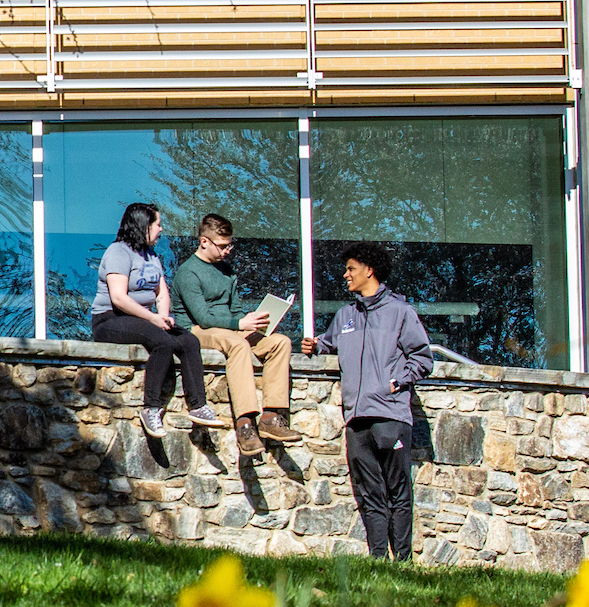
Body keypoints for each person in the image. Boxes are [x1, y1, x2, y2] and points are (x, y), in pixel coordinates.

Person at [301, 241, 433, 560]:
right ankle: (378, 561)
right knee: (371, 495)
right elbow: (328, 345)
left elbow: (423, 358)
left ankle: (401, 561)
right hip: (356, 421)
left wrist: (396, 382)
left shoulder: (401, 312)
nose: (345, 275)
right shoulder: (346, 315)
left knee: (398, 493)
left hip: (390, 417)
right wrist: (313, 346)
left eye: (351, 269)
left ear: (369, 270)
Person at [90, 202, 230, 440]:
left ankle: (198, 406)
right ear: (143, 226)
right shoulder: (118, 252)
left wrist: (163, 316)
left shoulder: (151, 256)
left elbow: (161, 292)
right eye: (157, 224)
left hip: (145, 319)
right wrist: (154, 319)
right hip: (110, 319)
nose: (161, 229)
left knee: (188, 340)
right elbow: (119, 298)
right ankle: (151, 409)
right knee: (162, 342)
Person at [171, 213, 302, 458]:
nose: (227, 250)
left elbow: (236, 311)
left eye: (229, 245)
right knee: (237, 344)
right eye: (222, 245)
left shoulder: (227, 271)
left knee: (280, 343)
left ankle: (272, 416)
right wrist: (239, 323)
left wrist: (252, 321)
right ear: (204, 241)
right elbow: (203, 318)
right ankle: (245, 424)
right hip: (198, 331)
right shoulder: (188, 272)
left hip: (231, 328)